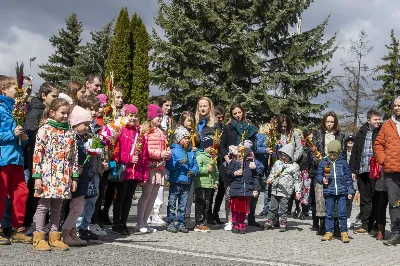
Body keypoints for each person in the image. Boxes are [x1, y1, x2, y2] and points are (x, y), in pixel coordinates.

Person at [31, 98, 78, 251]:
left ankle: (54, 236)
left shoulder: (70, 132)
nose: (65, 116)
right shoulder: (45, 130)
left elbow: (74, 156)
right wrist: (37, 177)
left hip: (63, 174)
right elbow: (38, 154)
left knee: (57, 206)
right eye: (62, 113)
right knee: (44, 205)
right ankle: (39, 236)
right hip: (47, 173)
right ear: (52, 112)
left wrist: (74, 177)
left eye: (67, 113)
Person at [22, 82, 60, 236]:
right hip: (34, 157)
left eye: (57, 96)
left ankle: (40, 224)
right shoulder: (37, 109)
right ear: (44, 96)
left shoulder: (49, 109)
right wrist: (42, 127)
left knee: (41, 194)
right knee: (34, 192)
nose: (56, 98)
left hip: (47, 158)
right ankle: (26, 225)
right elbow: (29, 130)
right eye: (53, 96)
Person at [0, 76, 31, 245]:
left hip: (16, 157)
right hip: (3, 158)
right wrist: (12, 134)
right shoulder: (0, 109)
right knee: (0, 194)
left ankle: (17, 227)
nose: (18, 91)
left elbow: (18, 137)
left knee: (21, 192)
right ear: (3, 89)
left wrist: (23, 138)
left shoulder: (17, 109)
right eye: (14, 87)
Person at [110, 104, 148, 235]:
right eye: (130, 115)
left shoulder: (139, 132)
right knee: (120, 197)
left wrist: (144, 173)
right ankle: (116, 223)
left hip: (135, 171)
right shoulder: (121, 130)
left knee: (129, 198)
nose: (133, 118)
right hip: (124, 170)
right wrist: (129, 158)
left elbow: (143, 154)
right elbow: (116, 151)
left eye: (135, 115)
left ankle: (124, 222)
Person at [219, 104, 257, 230]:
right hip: (231, 161)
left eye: (239, 112)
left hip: (245, 163)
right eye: (234, 113)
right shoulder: (228, 127)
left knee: (243, 193)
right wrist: (228, 160)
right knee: (230, 192)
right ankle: (230, 220)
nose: (237, 115)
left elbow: (253, 146)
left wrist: (251, 157)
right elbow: (222, 146)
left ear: (243, 112)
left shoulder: (249, 128)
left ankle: (241, 219)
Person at [74, 96, 108, 239]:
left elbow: (102, 147)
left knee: (93, 199)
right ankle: (76, 226)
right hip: (83, 168)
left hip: (95, 167)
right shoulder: (80, 126)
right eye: (90, 109)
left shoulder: (98, 128)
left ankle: (85, 226)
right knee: (81, 199)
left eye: (95, 109)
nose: (93, 112)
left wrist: (104, 160)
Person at [60, 106, 93, 247]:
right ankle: (65, 232)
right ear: (75, 124)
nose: (87, 127)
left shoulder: (81, 138)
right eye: (84, 124)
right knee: (77, 208)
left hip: (82, 177)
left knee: (78, 207)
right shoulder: (72, 138)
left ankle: (72, 232)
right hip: (76, 178)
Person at [136, 104, 171, 233]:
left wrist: (167, 153)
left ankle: (145, 221)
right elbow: (145, 149)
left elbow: (165, 147)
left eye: (161, 117)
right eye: (158, 116)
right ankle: (139, 222)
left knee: (153, 196)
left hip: (159, 167)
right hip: (150, 167)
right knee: (146, 194)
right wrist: (159, 154)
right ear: (151, 117)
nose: (160, 119)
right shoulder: (146, 131)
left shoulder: (161, 131)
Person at [312, 111, 345, 236]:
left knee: (335, 196)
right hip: (320, 168)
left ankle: (335, 225)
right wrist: (319, 162)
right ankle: (322, 224)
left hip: (335, 169)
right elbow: (311, 151)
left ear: (335, 123)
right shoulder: (317, 134)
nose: (329, 124)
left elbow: (344, 153)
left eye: (332, 122)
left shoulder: (341, 135)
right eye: (327, 121)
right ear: (324, 122)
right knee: (320, 197)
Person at [349, 109, 382, 235]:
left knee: (377, 198)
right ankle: (365, 224)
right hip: (362, 170)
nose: (378, 122)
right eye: (375, 119)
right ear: (369, 120)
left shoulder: (381, 131)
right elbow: (355, 153)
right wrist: (353, 169)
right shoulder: (361, 132)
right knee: (365, 198)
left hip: (376, 171)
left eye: (379, 119)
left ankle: (376, 225)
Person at [316, 140, 354, 243]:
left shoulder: (343, 162)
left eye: (335, 154)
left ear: (338, 153)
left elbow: (348, 178)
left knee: (342, 213)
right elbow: (318, 175)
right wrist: (322, 179)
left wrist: (350, 191)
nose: (332, 156)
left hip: (342, 192)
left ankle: (344, 232)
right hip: (329, 191)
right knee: (329, 213)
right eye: (331, 154)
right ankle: (329, 231)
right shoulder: (324, 162)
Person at [374, 97, 400, 246]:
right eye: (395, 105)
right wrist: (383, 160)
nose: (396, 108)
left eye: (399, 106)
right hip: (391, 171)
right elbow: (378, 144)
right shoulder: (387, 125)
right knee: (394, 203)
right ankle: (396, 233)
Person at [165, 126, 198, 233]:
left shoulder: (191, 152)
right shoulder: (173, 151)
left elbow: (195, 165)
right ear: (179, 139)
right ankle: (170, 222)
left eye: (188, 138)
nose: (187, 140)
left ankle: (181, 222)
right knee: (172, 202)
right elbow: (169, 166)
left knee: (183, 204)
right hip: (176, 181)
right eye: (185, 138)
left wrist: (193, 171)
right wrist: (178, 163)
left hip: (187, 181)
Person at [150, 96, 175, 225]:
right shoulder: (156, 120)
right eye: (166, 105)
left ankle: (156, 211)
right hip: (155, 157)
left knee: (161, 185)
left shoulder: (170, 120)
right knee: (153, 185)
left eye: (170, 106)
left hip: (165, 156)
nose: (168, 108)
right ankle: (153, 212)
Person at [264, 144, 301, 232]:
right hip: (275, 189)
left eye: (286, 155)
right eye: (282, 155)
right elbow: (272, 173)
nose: (284, 157)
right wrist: (269, 179)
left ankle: (283, 222)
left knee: (283, 208)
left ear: (290, 156)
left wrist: (297, 192)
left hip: (285, 191)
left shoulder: (294, 166)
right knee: (272, 207)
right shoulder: (277, 163)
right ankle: (269, 221)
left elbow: (297, 180)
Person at [101, 87, 124, 225]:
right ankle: (98, 213)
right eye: (117, 97)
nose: (120, 100)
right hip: (107, 151)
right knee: (104, 184)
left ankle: (106, 212)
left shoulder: (122, 114)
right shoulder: (107, 113)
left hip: (118, 152)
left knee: (113, 185)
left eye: (121, 97)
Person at [226, 141, 259, 234]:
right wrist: (234, 173)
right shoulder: (233, 162)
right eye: (240, 152)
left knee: (244, 209)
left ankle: (242, 223)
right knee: (235, 208)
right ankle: (235, 223)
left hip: (246, 190)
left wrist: (255, 188)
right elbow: (227, 173)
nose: (241, 154)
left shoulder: (250, 164)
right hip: (236, 189)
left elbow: (255, 176)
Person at [194, 133, 218, 233]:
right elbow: (197, 169)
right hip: (201, 184)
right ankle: (198, 223)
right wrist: (206, 169)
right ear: (206, 146)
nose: (212, 148)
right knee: (200, 203)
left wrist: (216, 182)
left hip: (209, 184)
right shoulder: (200, 156)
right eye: (211, 147)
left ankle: (203, 222)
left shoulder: (213, 158)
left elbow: (216, 171)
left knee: (207, 204)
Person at [255, 123, 274, 216]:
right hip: (260, 164)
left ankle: (266, 208)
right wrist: (265, 150)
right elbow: (255, 148)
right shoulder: (260, 136)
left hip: (269, 165)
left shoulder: (272, 138)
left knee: (268, 188)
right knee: (257, 188)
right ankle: (252, 210)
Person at [344, 135, 357, 229]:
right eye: (348, 140)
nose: (350, 142)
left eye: (352, 140)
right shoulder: (343, 153)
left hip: (354, 179)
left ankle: (348, 218)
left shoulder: (357, 153)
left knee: (350, 199)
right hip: (344, 178)